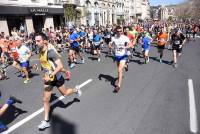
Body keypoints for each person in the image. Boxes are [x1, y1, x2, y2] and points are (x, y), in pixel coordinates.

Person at [35, 33, 82, 130]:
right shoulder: (40, 51)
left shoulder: (51, 52)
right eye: (35, 41)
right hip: (48, 79)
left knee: (65, 94)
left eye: (38, 41)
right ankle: (46, 121)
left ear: (44, 41)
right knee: (46, 99)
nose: (36, 43)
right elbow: (45, 64)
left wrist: (51, 75)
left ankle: (76, 90)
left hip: (57, 78)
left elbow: (60, 66)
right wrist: (38, 68)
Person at [109, 26, 131, 93]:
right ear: (115, 31)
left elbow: (131, 44)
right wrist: (111, 47)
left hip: (123, 55)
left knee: (119, 70)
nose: (119, 32)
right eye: (118, 31)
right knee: (119, 68)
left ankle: (118, 86)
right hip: (117, 55)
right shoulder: (113, 38)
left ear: (122, 31)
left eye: (120, 31)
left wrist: (126, 47)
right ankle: (126, 66)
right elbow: (110, 44)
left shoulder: (125, 37)